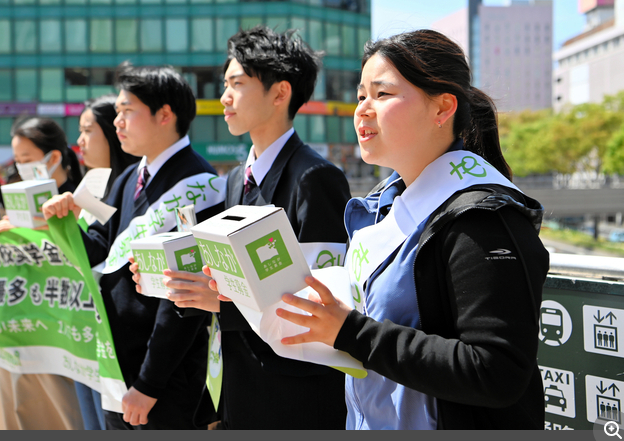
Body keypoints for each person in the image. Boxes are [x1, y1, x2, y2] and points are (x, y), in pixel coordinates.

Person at [275, 29, 550, 429]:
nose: (363, 110)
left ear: (443, 108)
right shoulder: (384, 207)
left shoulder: (483, 219)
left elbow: (496, 371)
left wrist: (351, 332)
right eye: (360, 96)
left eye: (382, 94)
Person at [145, 26, 351, 429]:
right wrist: (175, 281)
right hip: (238, 385)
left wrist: (218, 300)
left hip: (294, 395)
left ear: (280, 92)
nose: (224, 97)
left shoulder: (316, 178)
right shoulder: (237, 178)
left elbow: (317, 302)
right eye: (225, 85)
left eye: (237, 84)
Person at [42, 62, 225, 430]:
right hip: (117, 368)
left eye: (127, 112)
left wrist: (149, 383)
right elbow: (99, 248)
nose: (117, 122)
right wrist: (62, 218)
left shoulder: (198, 185)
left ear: (164, 115)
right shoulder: (128, 177)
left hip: (163, 382)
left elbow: (184, 300)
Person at [0, 118, 85, 430]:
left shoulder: (78, 201)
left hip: (65, 333)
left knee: (67, 414)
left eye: (28, 159)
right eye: (18, 161)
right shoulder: (12, 199)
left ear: (53, 158)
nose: (21, 168)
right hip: (22, 328)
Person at [73, 94, 141, 430]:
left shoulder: (126, 186)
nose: (79, 141)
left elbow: (97, 252)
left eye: (87, 130)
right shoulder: (89, 188)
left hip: (119, 340)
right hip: (85, 330)